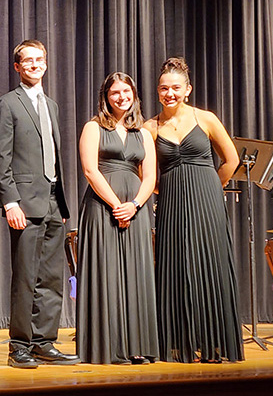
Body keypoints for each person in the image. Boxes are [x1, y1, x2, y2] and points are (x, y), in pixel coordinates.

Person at [144, 57, 243, 363]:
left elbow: (231, 160)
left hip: (208, 199)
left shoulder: (206, 118)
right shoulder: (150, 126)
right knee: (176, 265)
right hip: (171, 202)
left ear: (187, 89)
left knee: (209, 263)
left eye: (175, 87)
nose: (169, 93)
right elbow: (146, 175)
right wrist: (168, 189)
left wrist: (212, 185)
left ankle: (214, 343)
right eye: (163, 88)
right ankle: (179, 345)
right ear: (158, 91)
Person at [0, 40, 79, 368]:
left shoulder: (50, 105)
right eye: (28, 61)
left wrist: (59, 201)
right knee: (26, 276)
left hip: (54, 201)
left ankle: (44, 342)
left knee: (52, 277)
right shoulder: (6, 104)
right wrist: (10, 202)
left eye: (40, 59)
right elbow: (0, 158)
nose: (35, 65)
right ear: (17, 67)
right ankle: (20, 347)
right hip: (25, 204)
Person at [76, 72, 158, 364]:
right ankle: (107, 346)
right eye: (115, 93)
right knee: (106, 274)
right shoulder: (94, 127)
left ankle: (137, 345)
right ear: (106, 98)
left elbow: (149, 176)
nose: (121, 97)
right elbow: (90, 171)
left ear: (134, 94)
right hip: (102, 208)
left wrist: (134, 204)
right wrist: (116, 205)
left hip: (135, 209)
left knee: (136, 275)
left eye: (126, 91)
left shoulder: (144, 133)